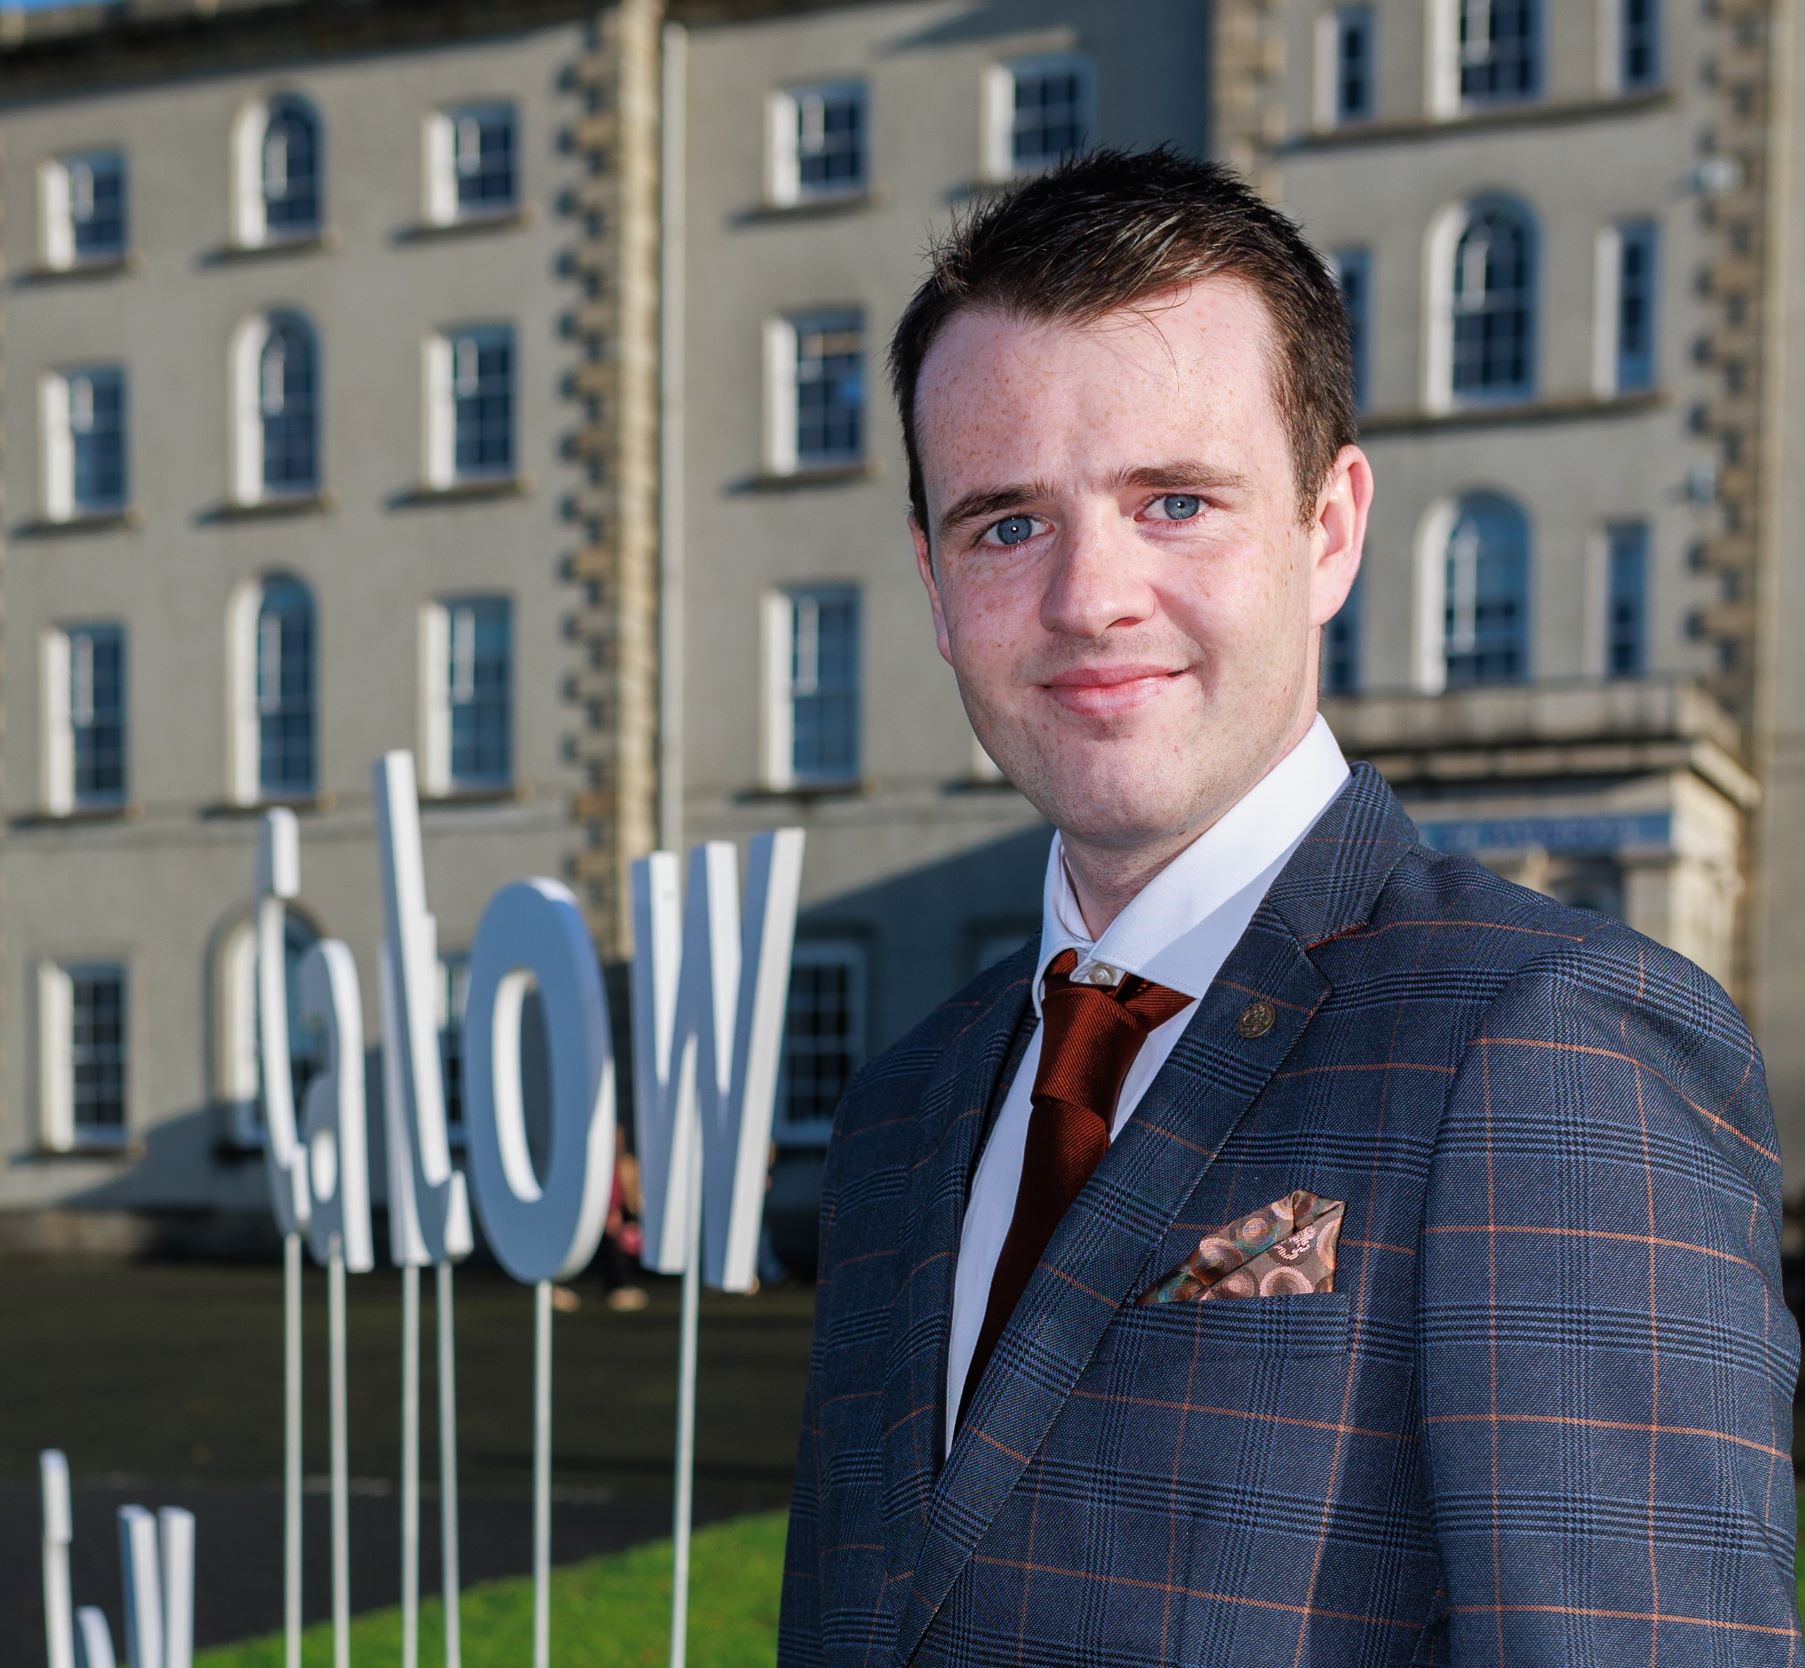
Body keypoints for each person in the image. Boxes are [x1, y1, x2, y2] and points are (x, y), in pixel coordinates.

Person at [776, 148, 1800, 1665]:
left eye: (1173, 501)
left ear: (1329, 529)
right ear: (932, 588)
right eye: (1006, 524)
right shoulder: (904, 1109)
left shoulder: (1541, 1044)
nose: (1088, 597)